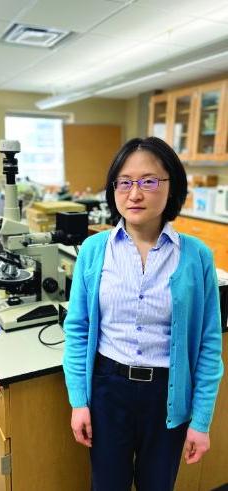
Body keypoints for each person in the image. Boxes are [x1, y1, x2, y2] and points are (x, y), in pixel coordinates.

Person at [63, 137, 223, 491]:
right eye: (124, 181)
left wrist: (201, 421)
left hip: (167, 396)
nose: (134, 193)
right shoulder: (93, 250)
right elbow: (77, 330)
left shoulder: (197, 257)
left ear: (171, 187)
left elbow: (209, 347)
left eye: (149, 181)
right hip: (107, 391)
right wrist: (78, 401)